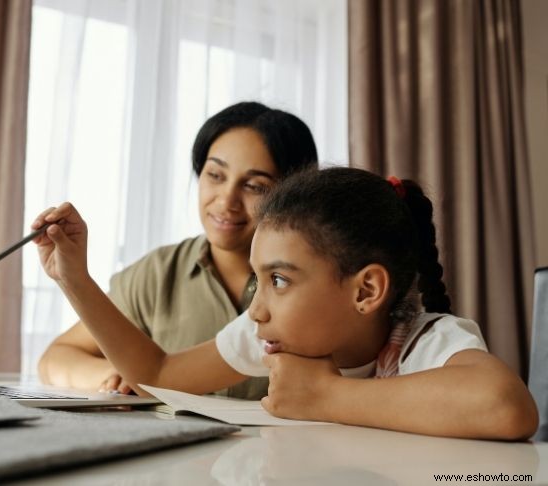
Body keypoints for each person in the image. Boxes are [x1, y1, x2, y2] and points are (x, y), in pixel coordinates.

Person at [32, 167, 538, 439]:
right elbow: (160, 372)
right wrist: (73, 278)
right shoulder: (270, 335)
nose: (256, 309)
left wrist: (326, 397)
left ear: (366, 291)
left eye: (279, 280)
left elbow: (504, 407)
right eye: (258, 279)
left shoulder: (428, 341)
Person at [37, 101, 318, 399]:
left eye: (255, 186)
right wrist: (115, 375)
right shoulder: (158, 273)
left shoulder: (313, 285)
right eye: (216, 175)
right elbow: (57, 358)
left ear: (293, 195)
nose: (226, 201)